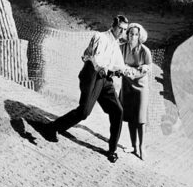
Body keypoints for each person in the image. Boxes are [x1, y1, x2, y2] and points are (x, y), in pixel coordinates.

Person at [45, 15, 130, 163]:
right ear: (113, 26)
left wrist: (126, 71)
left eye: (125, 30)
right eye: (120, 29)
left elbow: (118, 65)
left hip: (105, 81)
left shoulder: (116, 44)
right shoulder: (100, 37)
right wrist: (104, 69)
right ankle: (53, 128)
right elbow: (95, 60)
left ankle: (112, 150)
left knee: (118, 111)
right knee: (84, 112)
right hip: (92, 77)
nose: (122, 33)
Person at [120, 23, 152, 160]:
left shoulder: (145, 50)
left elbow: (149, 67)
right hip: (126, 85)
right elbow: (118, 63)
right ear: (127, 35)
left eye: (136, 34)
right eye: (131, 33)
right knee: (130, 117)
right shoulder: (122, 48)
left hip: (141, 87)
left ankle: (141, 147)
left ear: (140, 36)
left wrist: (142, 69)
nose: (133, 36)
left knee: (140, 118)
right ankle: (133, 146)